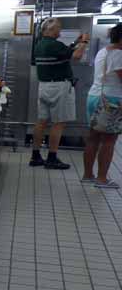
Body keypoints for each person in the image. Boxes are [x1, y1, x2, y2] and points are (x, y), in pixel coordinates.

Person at [30, 18, 89, 169]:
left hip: (44, 86)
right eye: (58, 28)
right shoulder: (55, 45)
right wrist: (84, 43)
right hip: (60, 87)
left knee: (41, 121)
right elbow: (76, 56)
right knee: (59, 123)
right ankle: (52, 158)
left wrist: (75, 43)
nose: (60, 31)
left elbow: (65, 52)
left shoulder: (39, 45)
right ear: (49, 30)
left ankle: (35, 156)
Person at [83, 24, 122, 189]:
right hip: (110, 100)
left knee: (93, 138)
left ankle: (88, 175)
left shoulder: (103, 51)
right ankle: (102, 178)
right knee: (109, 140)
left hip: (94, 96)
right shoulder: (119, 54)